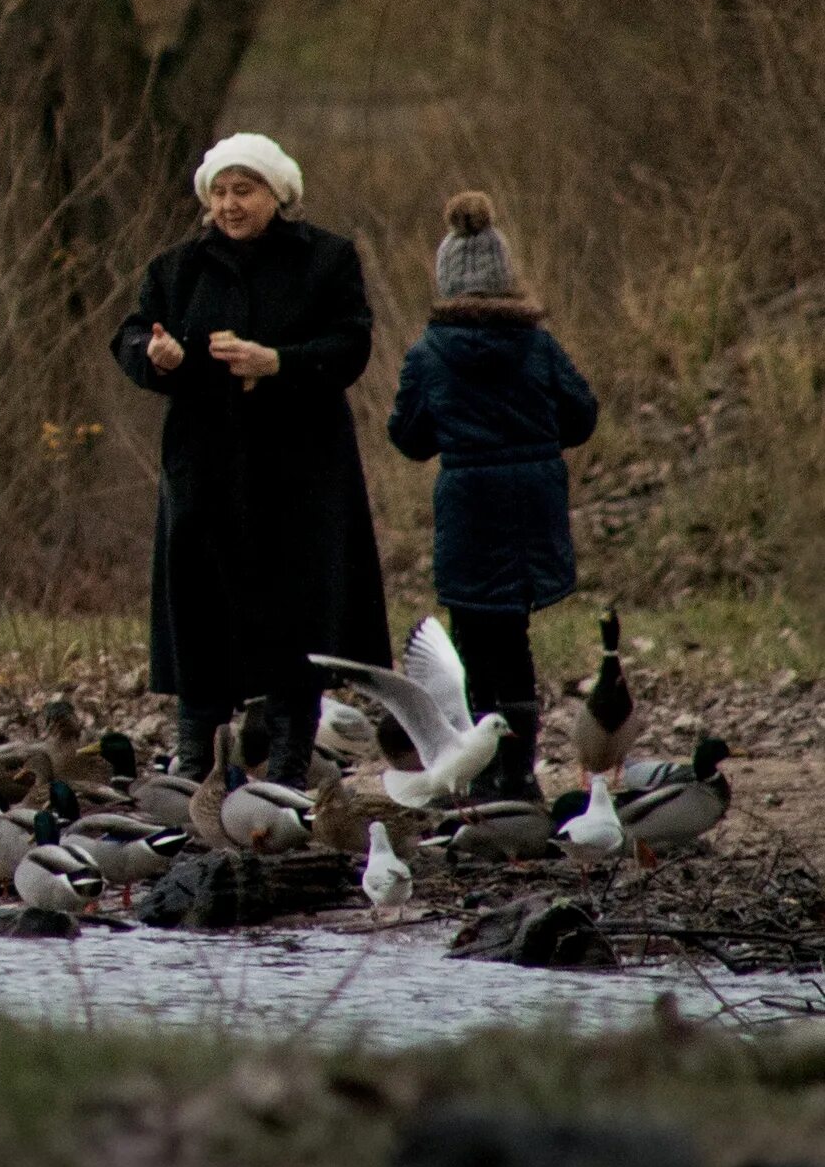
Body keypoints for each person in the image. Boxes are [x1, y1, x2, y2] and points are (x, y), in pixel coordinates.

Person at [112, 133, 391, 783]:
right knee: (200, 613)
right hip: (206, 470)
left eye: (245, 189)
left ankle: (291, 760)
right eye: (220, 191)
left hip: (301, 471)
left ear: (278, 194)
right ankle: (197, 766)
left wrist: (279, 362)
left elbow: (351, 345)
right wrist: (157, 357)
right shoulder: (176, 269)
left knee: (297, 618)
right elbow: (131, 333)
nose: (231, 204)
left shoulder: (326, 260)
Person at [385, 191, 598, 800]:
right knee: (514, 637)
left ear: (447, 280)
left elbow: (408, 437)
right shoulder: (538, 344)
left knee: (474, 636)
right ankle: (520, 773)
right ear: (506, 276)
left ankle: (484, 778)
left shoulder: (429, 353)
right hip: (533, 503)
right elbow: (581, 416)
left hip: (468, 504)